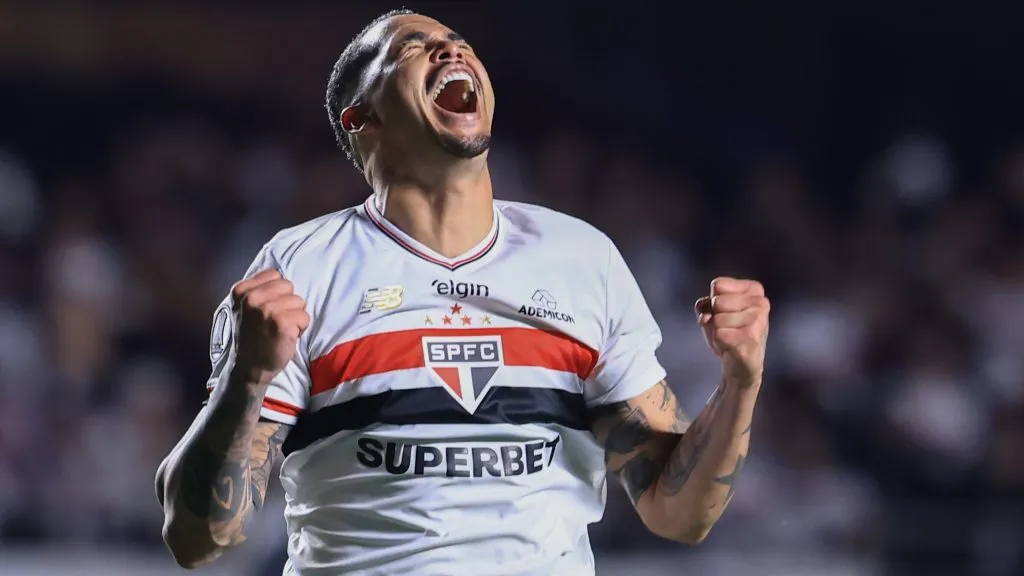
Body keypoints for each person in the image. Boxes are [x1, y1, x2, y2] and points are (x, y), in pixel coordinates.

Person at [155, 9, 771, 576]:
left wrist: (740, 383)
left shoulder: (582, 259)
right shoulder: (301, 268)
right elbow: (198, 537)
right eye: (416, 47)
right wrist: (246, 379)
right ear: (362, 118)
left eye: (459, 43)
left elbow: (679, 512)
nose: (451, 50)